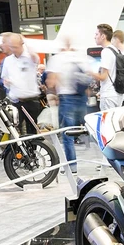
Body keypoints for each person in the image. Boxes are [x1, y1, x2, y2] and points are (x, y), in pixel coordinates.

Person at [45, 41, 94, 174]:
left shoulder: (56, 59)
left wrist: (54, 90)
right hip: (82, 99)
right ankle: (104, 162)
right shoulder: (82, 58)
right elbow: (90, 78)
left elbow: (51, 82)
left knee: (67, 135)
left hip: (67, 99)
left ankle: (72, 166)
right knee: (90, 131)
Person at [1, 33, 42, 135]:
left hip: (31, 100)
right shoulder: (8, 60)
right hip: (15, 101)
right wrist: (6, 82)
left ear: (22, 44)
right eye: (11, 47)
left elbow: (35, 58)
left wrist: (25, 41)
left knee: (32, 131)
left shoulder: (30, 57)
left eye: (16, 47)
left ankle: (32, 145)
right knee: (15, 131)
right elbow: (4, 78)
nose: (14, 49)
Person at [91, 23, 123, 111]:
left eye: (96, 34)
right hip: (117, 94)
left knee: (108, 119)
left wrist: (89, 72)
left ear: (103, 36)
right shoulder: (115, 50)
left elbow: (103, 77)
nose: (94, 37)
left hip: (108, 95)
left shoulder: (106, 52)